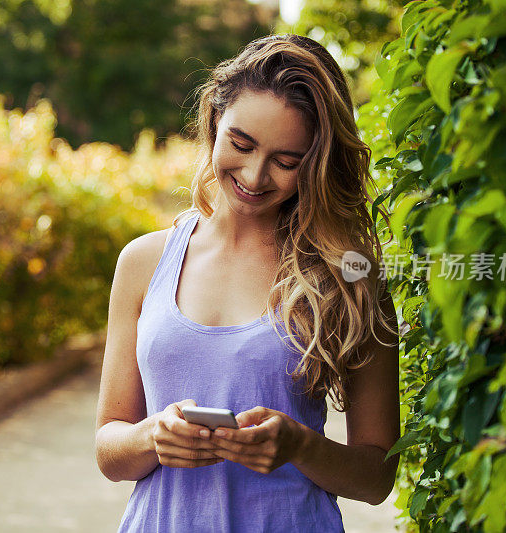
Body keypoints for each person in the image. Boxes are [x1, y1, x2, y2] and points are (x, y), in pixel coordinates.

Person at [95, 33, 400, 532]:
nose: (256, 176)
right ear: (215, 121)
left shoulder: (349, 276)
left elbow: (376, 478)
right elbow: (110, 448)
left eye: (287, 161)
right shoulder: (144, 262)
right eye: (241, 144)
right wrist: (154, 436)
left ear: (318, 162)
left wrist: (301, 446)